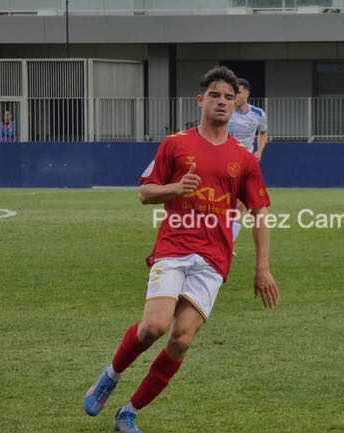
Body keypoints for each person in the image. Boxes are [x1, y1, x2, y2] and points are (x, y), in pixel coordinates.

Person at [83, 66, 280, 433]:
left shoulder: (244, 159)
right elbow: (145, 193)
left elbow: (260, 213)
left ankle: (129, 412)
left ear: (235, 103)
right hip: (174, 247)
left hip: (214, 258)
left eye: (229, 97)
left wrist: (262, 268)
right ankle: (111, 375)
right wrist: (175, 189)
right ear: (200, 100)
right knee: (154, 326)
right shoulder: (175, 144)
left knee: (182, 338)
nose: (222, 102)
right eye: (215, 95)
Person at [227, 78, 269, 247]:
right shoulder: (226, 111)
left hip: (247, 163)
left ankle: (229, 242)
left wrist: (259, 151)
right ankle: (223, 240)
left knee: (240, 205)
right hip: (226, 161)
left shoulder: (258, 114)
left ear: (247, 93)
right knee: (227, 203)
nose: (234, 96)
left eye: (237, 92)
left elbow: (263, 132)